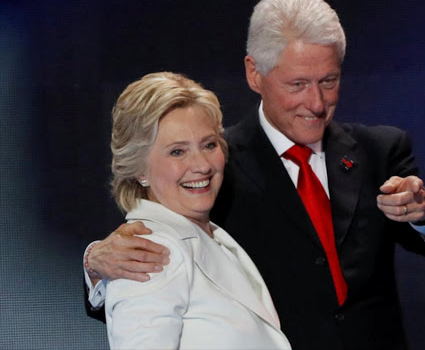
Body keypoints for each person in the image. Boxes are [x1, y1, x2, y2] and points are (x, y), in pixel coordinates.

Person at [84, 0, 425, 349]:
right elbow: (151, 275)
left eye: (328, 81)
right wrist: (96, 265)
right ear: (254, 73)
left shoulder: (379, 150)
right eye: (297, 84)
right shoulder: (215, 167)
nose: (316, 102)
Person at [99, 71, 291, 349]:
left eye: (209, 145)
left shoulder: (214, 237)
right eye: (177, 151)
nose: (201, 165)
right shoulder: (151, 253)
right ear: (139, 167)